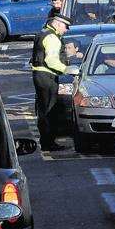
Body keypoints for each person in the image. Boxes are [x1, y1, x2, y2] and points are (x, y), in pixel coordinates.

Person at [31, 14, 71, 151]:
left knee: (43, 110)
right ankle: (48, 143)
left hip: (39, 75)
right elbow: (51, 60)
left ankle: (46, 142)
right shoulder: (52, 37)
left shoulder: (43, 32)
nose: (66, 30)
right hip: (47, 76)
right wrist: (67, 69)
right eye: (65, 27)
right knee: (49, 110)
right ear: (58, 24)